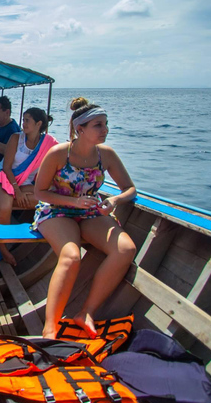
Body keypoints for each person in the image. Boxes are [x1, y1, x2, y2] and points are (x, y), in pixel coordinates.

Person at [33, 97, 137, 339]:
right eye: (98, 125)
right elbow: (40, 192)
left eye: (106, 124)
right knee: (71, 256)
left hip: (90, 212)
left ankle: (86, 312)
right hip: (56, 210)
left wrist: (113, 201)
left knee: (125, 249)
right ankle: (50, 327)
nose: (105, 130)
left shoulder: (106, 155)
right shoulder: (59, 153)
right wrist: (74, 202)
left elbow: (129, 188)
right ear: (80, 129)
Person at [0, 108, 58, 266]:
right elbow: (7, 168)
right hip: (2, 179)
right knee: (5, 207)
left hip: (26, 184)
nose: (23, 123)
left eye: (27, 120)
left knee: (47, 202)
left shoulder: (49, 143)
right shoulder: (16, 138)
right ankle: (2, 248)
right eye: (23, 120)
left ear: (38, 124)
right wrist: (17, 191)